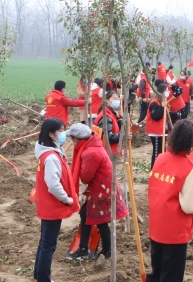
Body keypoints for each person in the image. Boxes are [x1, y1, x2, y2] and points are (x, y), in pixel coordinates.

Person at [147, 119, 193, 282]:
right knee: (171, 276)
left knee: (157, 271)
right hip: (174, 232)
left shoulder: (160, 159)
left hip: (157, 225)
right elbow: (189, 206)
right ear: (191, 142)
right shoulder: (191, 169)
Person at [65, 123, 129, 261]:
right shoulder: (93, 146)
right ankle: (84, 248)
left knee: (100, 220)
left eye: (72, 138)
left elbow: (85, 177)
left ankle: (107, 251)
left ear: (77, 139)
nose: (72, 141)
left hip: (102, 189)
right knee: (86, 214)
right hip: (102, 186)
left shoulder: (90, 152)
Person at [34, 118, 79, 282]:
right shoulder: (51, 157)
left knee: (44, 242)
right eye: (60, 131)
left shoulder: (48, 152)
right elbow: (53, 184)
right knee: (48, 245)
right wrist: (66, 199)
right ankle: (43, 279)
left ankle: (38, 275)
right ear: (50, 134)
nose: (63, 134)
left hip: (46, 204)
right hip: (52, 205)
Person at [147, 81, 170, 169]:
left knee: (162, 152)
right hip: (156, 132)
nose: (168, 92)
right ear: (161, 91)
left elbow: (166, 115)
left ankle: (160, 170)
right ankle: (154, 171)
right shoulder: (155, 103)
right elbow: (155, 116)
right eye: (166, 90)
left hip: (162, 131)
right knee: (157, 153)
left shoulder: (162, 101)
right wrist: (162, 107)